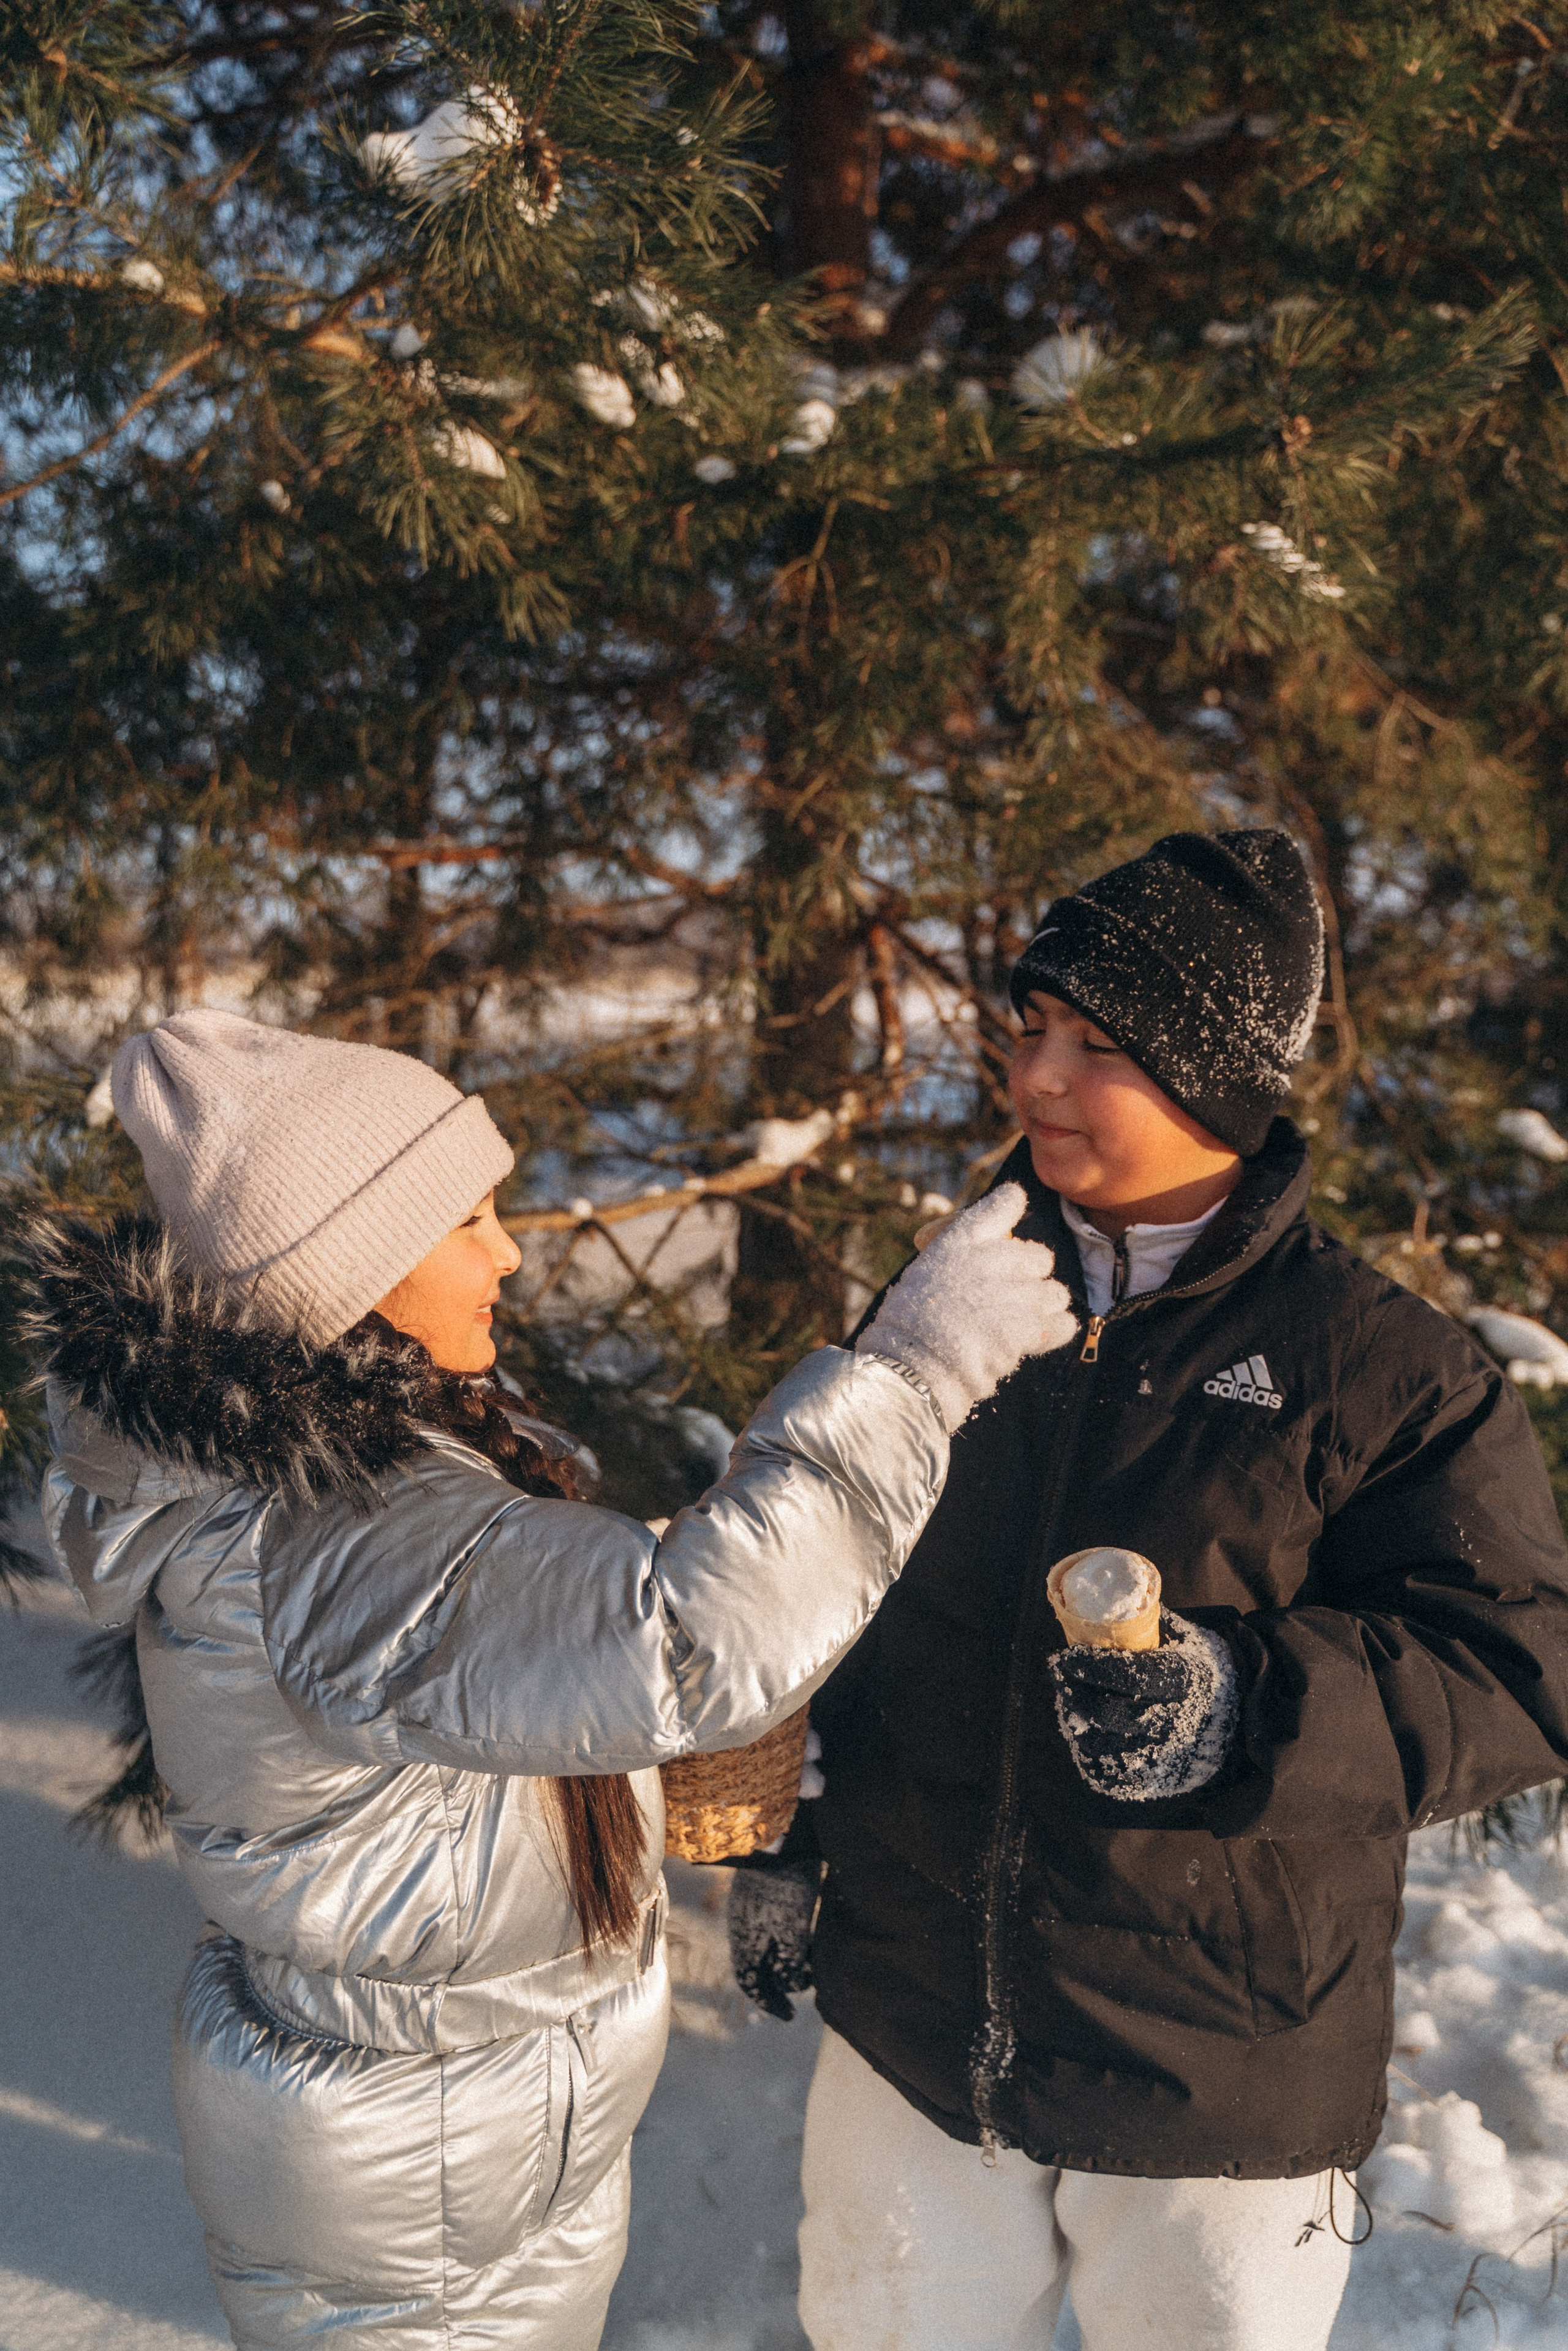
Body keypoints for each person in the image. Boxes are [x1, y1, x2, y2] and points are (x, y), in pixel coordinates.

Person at [28, 1008, 1077, 2351]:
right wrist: (911, 1378)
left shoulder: (344, 1476)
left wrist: (634, 1737)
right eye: (466, 1218)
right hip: (427, 2163)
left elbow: (497, 1695)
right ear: (349, 1266)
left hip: (461, 2124)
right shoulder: (337, 1527)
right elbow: (687, 1637)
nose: (509, 1252)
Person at [728, 829, 1568, 2351]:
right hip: (912, 2025)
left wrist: (1241, 1700)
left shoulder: (1377, 1367)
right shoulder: (949, 1305)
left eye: (1095, 1045)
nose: (1035, 1078)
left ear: (1217, 1079)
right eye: (1029, 1028)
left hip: (1216, 2070)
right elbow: (834, 1578)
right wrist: (795, 1815)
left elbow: (1516, 1669)